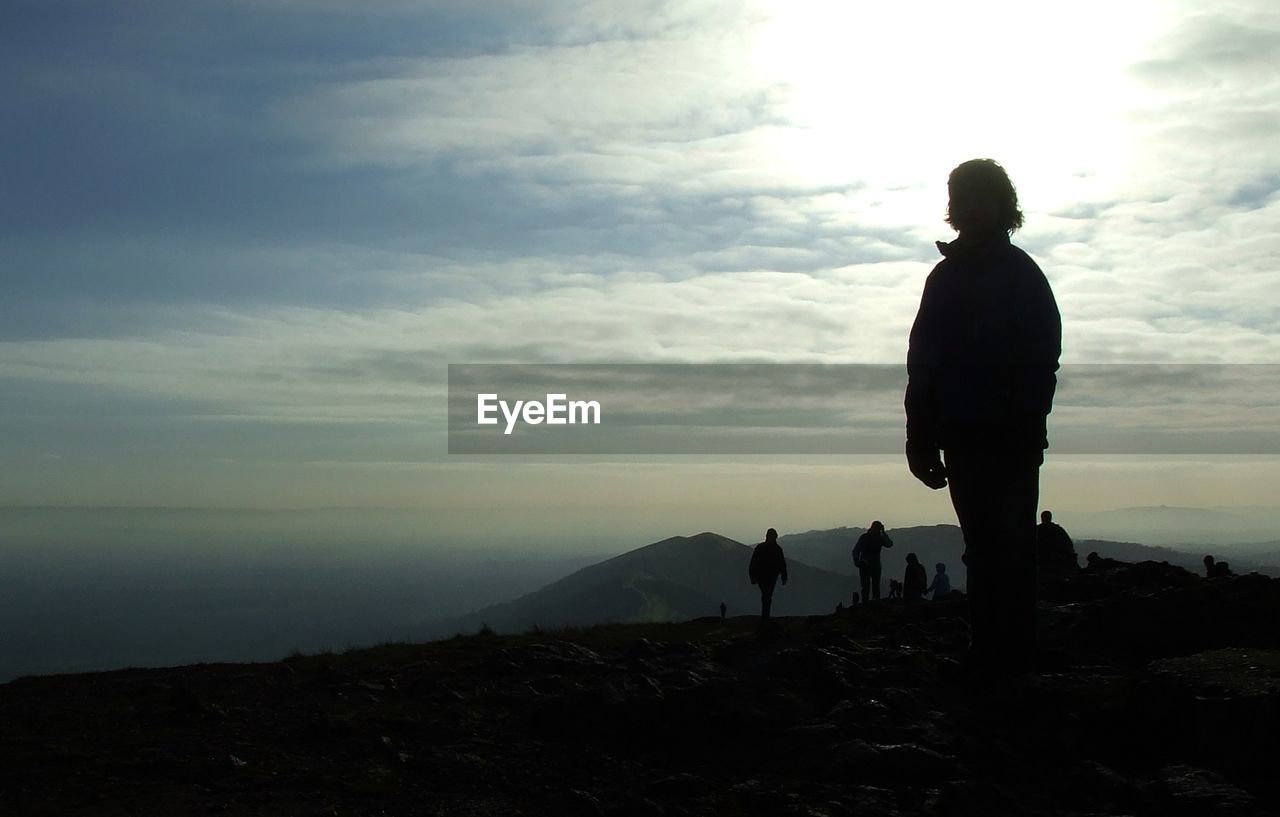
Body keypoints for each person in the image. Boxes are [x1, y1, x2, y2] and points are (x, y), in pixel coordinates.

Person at [904, 159, 1062, 676]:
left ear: (1002, 207)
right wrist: (920, 437)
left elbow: (1042, 358)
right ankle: (991, 654)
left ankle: (1012, 659)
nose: (969, 209)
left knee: (1011, 549)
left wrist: (1025, 418)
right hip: (965, 436)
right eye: (960, 199)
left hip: (1009, 437)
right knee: (982, 548)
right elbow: (923, 362)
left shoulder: (1020, 274)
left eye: (979, 198)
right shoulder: (944, 278)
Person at [748, 528, 788, 620]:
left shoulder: (761, 548)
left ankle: (765, 616)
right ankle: (765, 616)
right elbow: (782, 564)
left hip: (765, 576)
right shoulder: (776, 549)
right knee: (767, 595)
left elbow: (753, 563)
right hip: (768, 576)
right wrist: (784, 576)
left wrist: (752, 576)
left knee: (766, 595)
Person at [852, 521, 894, 601]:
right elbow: (889, 544)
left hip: (869, 565)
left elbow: (889, 544)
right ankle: (872, 604)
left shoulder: (868, 537)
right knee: (870, 587)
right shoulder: (872, 538)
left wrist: (856, 561)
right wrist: (856, 561)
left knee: (870, 587)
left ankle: (869, 604)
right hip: (869, 565)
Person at [1037, 510, 1079, 577]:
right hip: (1057, 560)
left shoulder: (1038, 530)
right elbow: (1069, 544)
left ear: (1041, 518)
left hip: (1044, 560)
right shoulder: (1058, 530)